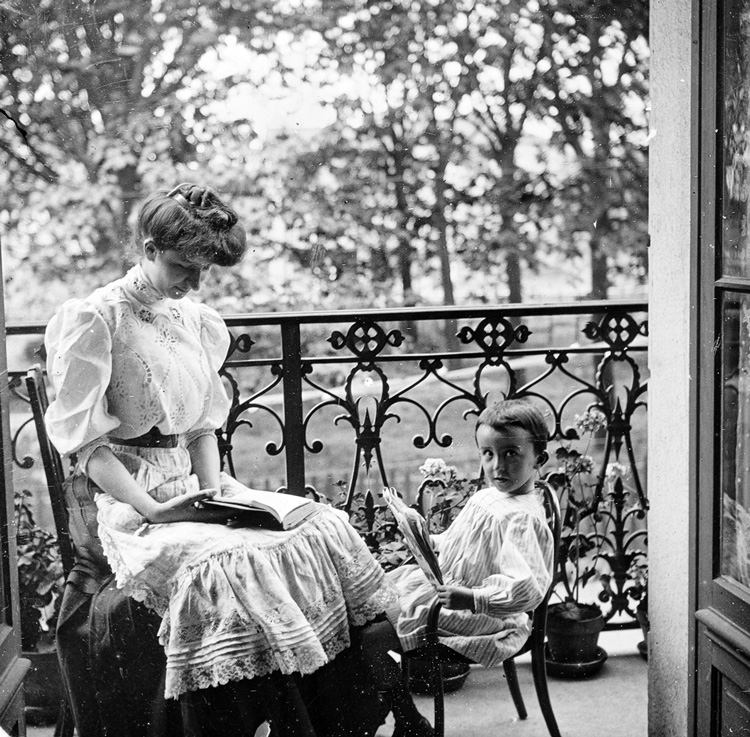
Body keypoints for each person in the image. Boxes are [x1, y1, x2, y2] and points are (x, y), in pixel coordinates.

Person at [43, 183, 398, 736]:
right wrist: (155, 511)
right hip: (120, 496)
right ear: (148, 247)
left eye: (205, 269)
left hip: (187, 484)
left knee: (319, 527)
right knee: (227, 566)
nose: (195, 283)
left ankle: (330, 718)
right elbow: (86, 446)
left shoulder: (193, 319)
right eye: (185, 266)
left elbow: (203, 424)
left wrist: (216, 493)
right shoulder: (97, 319)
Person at [367, 399, 554, 700]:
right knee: (367, 609)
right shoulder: (488, 497)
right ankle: (392, 711)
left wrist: (474, 598)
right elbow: (461, 544)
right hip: (449, 590)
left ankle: (404, 717)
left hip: (482, 614)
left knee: (372, 637)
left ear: (538, 458)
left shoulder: (521, 518)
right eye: (488, 454)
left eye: (511, 454)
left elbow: (527, 589)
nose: (498, 466)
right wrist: (425, 540)